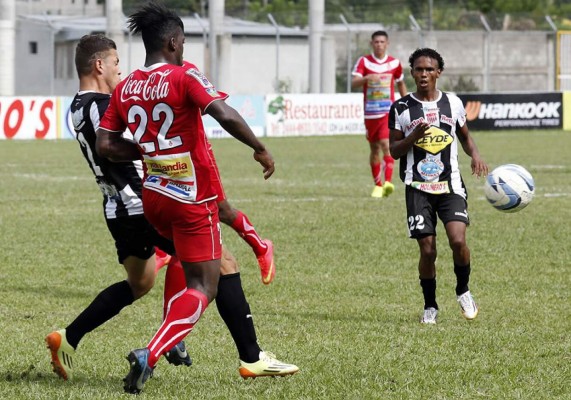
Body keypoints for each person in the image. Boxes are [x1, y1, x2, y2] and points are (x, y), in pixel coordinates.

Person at [46, 33, 297, 385]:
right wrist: (160, 147)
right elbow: (117, 145)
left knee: (139, 283)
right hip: (142, 203)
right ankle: (246, 355)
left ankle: (68, 336)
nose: (121, 72)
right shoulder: (106, 104)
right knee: (221, 264)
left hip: (115, 209)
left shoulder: (77, 106)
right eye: (116, 64)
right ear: (99, 65)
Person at [388, 48, 488, 324]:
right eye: (418, 69)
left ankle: (463, 290)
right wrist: (413, 137)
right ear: (412, 73)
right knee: (428, 250)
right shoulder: (401, 108)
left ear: (438, 73)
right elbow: (394, 151)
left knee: (458, 240)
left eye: (429, 69)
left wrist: (476, 156)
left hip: (450, 185)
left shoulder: (453, 103)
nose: (423, 74)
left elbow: (466, 137)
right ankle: (430, 305)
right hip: (418, 188)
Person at [352, 30, 407, 198]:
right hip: (370, 113)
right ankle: (377, 185)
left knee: (386, 144)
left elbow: (400, 83)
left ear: (387, 44)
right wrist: (367, 78)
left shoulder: (394, 63)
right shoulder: (364, 61)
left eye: (382, 42)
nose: (379, 45)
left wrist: (409, 103)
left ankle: (388, 182)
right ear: (371, 44)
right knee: (374, 148)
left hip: (387, 111)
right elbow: (354, 82)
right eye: (376, 42)